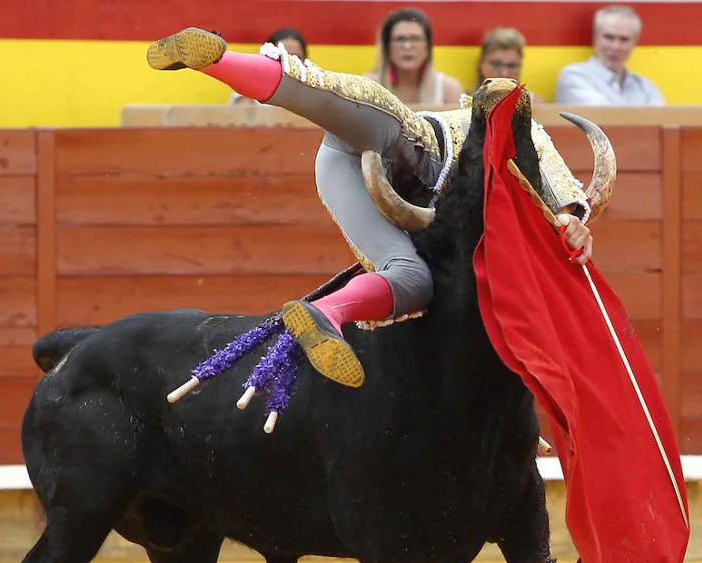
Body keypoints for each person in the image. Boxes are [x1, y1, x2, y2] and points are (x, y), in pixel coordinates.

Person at [146, 27, 593, 388]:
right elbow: (553, 185)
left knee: (412, 279)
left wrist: (573, 221)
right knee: (360, 110)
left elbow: (561, 200)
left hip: (356, 177)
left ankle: (326, 315)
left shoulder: (526, 157)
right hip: (401, 152)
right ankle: (213, 60)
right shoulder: (507, 132)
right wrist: (570, 216)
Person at [554, 6, 664, 106]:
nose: (616, 47)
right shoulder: (573, 76)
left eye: (624, 39)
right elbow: (603, 119)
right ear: (595, 37)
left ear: (634, 42)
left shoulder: (646, 88)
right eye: (609, 37)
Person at [364, 8, 464, 107]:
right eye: (400, 39)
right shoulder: (367, 87)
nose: (407, 46)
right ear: (387, 47)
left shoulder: (448, 90)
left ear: (427, 47)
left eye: (415, 39)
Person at [231, 28, 309, 105]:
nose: (289, 65)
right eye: (282, 58)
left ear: (304, 60)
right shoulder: (248, 94)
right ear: (268, 59)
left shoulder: (314, 95)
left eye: (296, 58)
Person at [475, 27, 535, 101]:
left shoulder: (534, 105)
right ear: (481, 63)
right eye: (496, 64)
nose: (504, 73)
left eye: (512, 66)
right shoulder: (463, 105)